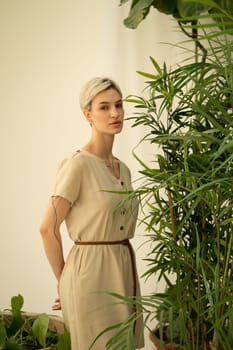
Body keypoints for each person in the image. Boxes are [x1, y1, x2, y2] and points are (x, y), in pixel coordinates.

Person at [39, 77, 144, 349]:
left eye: (119, 105)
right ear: (88, 114)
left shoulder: (125, 169)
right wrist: (64, 282)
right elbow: (47, 228)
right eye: (104, 107)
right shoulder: (78, 164)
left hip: (123, 268)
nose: (115, 113)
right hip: (90, 274)